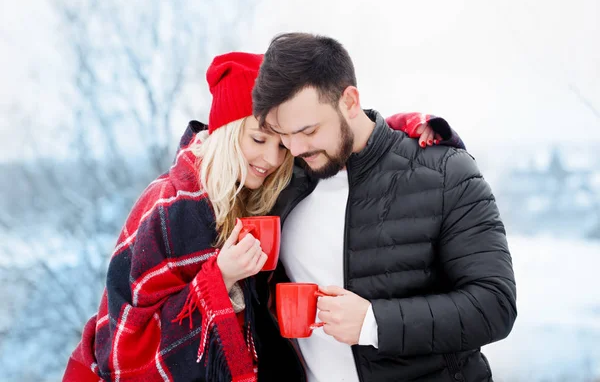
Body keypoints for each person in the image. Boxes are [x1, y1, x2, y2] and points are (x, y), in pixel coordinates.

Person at [62, 51, 455, 382]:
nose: (271, 159)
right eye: (258, 138)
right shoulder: (168, 206)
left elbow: (343, 131)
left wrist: (411, 127)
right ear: (227, 131)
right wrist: (220, 279)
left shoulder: (264, 191)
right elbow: (123, 353)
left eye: (283, 145)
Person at [252, 32, 517, 382]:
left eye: (309, 130)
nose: (296, 147)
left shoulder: (445, 172)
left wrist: (373, 323)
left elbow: (494, 305)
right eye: (283, 134)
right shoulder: (281, 183)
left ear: (349, 101)